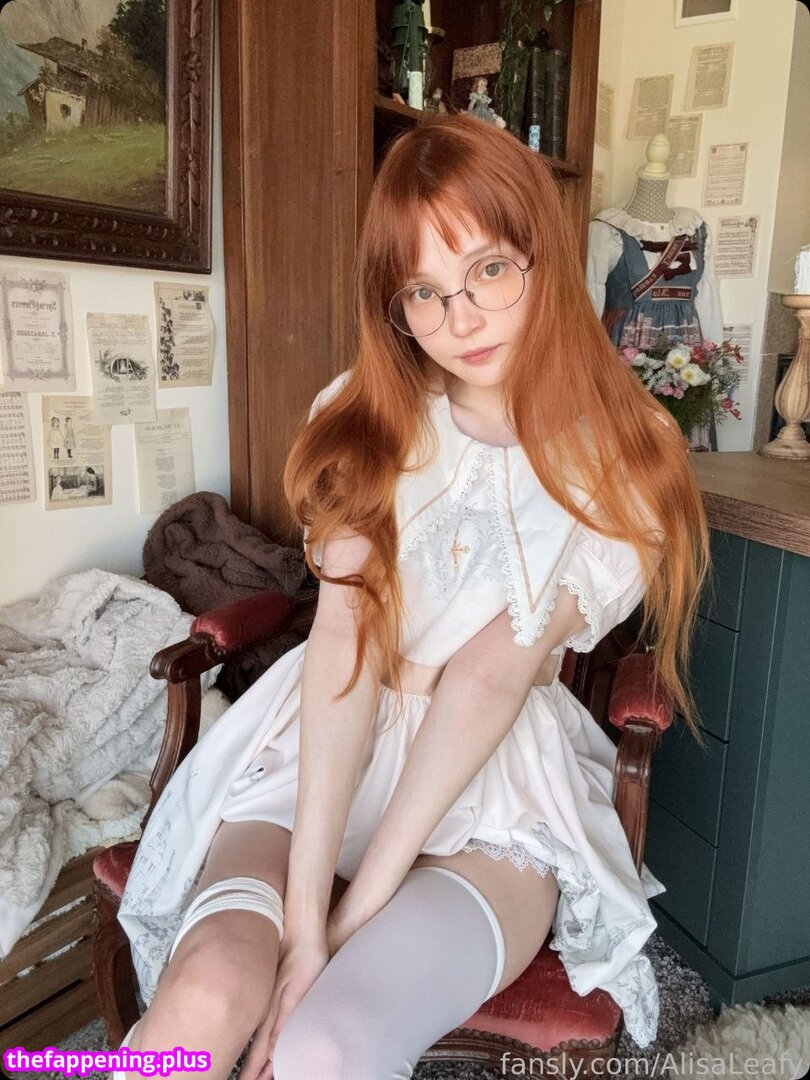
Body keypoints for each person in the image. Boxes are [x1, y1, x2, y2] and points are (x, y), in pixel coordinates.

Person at [115, 112, 710, 1080]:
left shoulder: (629, 451)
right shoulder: (364, 412)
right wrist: (303, 917)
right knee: (203, 1003)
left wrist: (346, 924)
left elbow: (488, 678)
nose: (460, 320)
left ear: (545, 258)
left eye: (489, 271)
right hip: (317, 754)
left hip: (490, 786)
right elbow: (343, 645)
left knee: (326, 1047)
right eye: (424, 293)